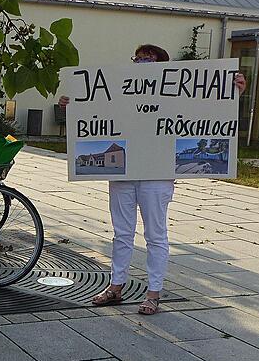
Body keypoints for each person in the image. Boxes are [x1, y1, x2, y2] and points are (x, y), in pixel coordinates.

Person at [59, 44, 246, 314]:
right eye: (139, 57)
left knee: (155, 235)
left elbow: (205, 110)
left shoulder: (177, 96)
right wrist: (72, 106)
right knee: (121, 233)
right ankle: (116, 285)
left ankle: (154, 292)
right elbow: (96, 113)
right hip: (125, 174)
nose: (143, 61)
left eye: (150, 58)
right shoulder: (119, 91)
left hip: (156, 176)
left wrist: (233, 93)